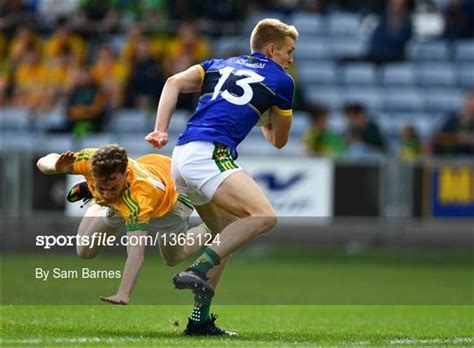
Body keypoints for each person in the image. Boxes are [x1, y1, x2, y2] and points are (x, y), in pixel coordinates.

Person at [146, 18, 298, 335]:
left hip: (181, 152)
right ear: (272, 49)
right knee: (265, 216)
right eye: (288, 51)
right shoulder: (281, 81)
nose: (290, 59)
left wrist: (160, 129)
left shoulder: (217, 64)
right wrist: (264, 118)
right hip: (210, 154)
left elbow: (173, 81)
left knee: (226, 234)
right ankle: (200, 268)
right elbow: (279, 141)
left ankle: (199, 320)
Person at [36, 144, 215, 306]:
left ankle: (209, 228)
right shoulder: (90, 160)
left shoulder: (138, 199)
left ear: (124, 174)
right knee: (84, 251)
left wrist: (123, 293)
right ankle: (94, 199)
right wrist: (57, 167)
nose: (107, 194)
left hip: (171, 201)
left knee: (173, 259)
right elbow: (44, 161)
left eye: (112, 187)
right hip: (131, 192)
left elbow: (136, 252)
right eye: (101, 187)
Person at [433, 90, 474, 156]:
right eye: (470, 99)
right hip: (455, 161)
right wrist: (458, 138)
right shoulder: (455, 119)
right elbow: (438, 137)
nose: (472, 103)